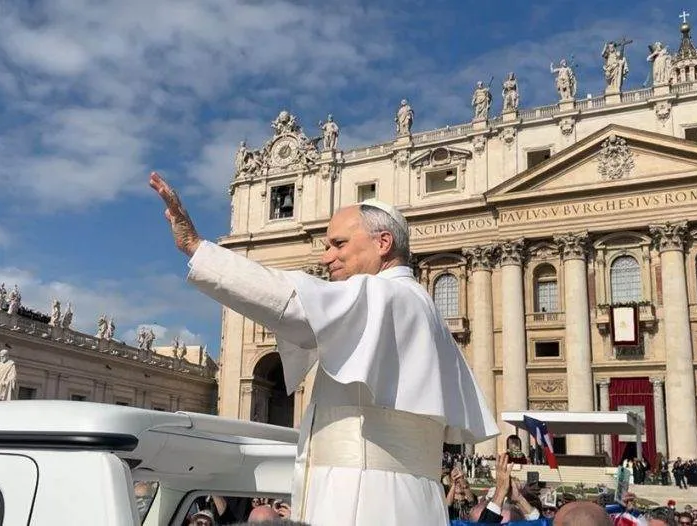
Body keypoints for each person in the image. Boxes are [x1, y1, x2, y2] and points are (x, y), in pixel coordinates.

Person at [149, 172, 498, 525]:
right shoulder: (418, 303)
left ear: (383, 243)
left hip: (363, 501)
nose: (327, 255)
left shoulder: (386, 295)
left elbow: (291, 301)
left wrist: (196, 247)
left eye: (339, 244)